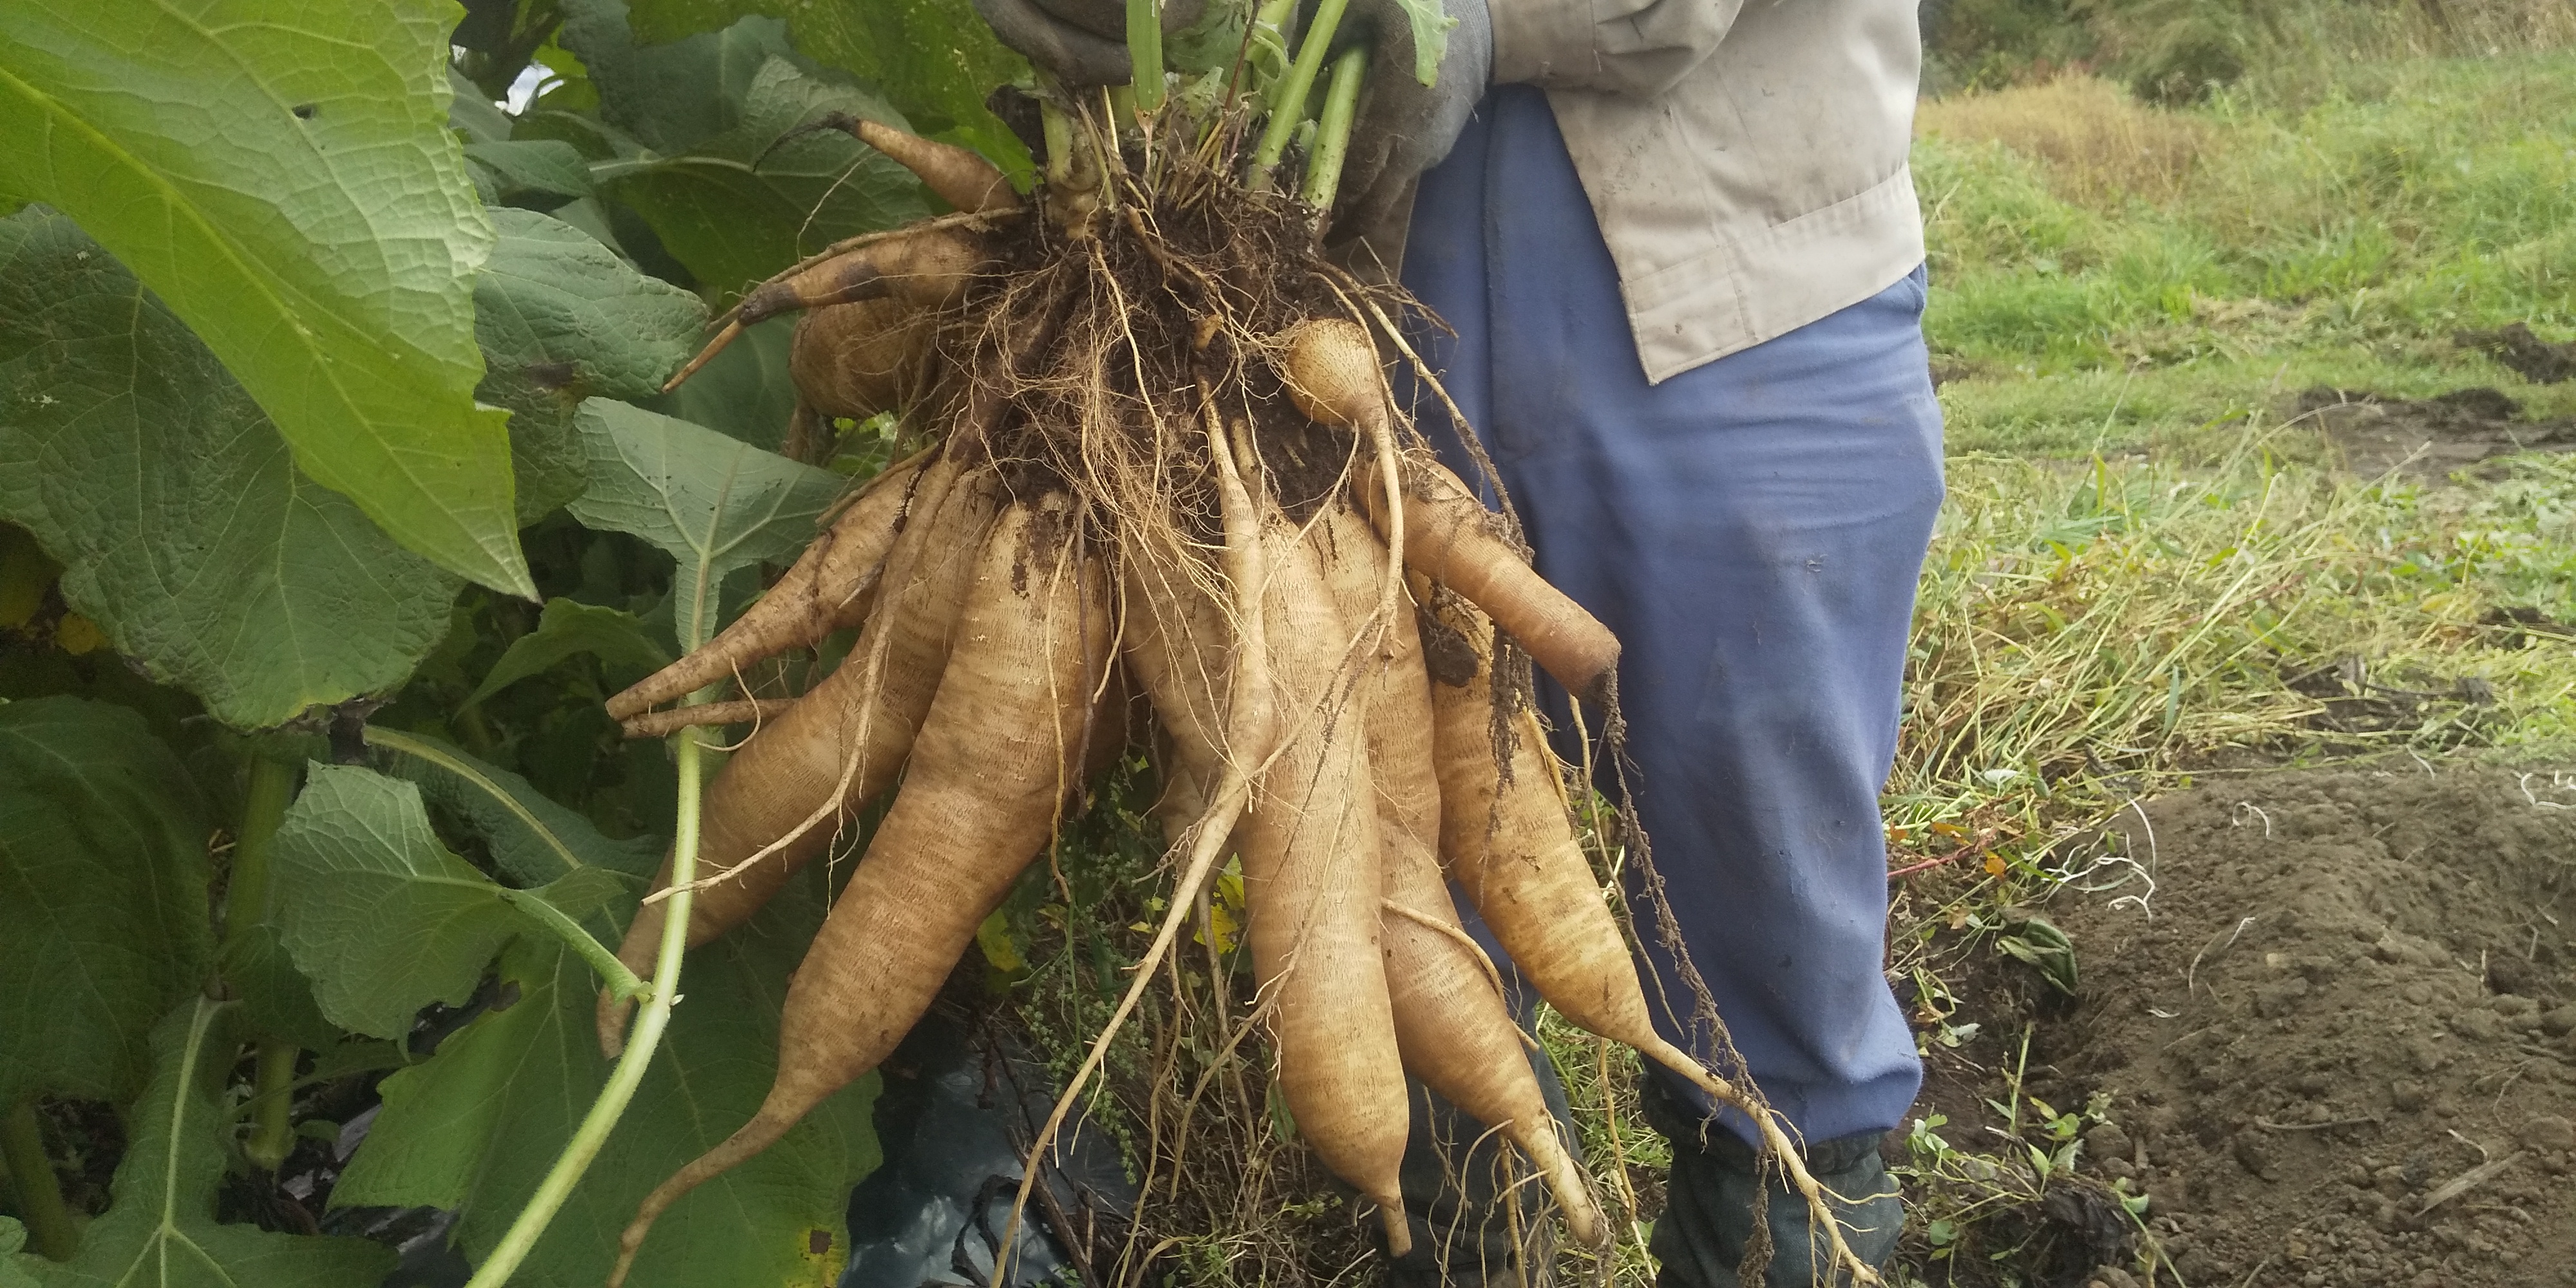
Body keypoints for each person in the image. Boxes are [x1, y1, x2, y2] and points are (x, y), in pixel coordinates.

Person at [973, 0, 1942, 1282]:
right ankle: (1460, 1228)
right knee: (1389, 861)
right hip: (1329, 293)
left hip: (1733, 267)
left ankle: (1790, 1212)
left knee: (1767, 869)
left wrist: (1472, 21)